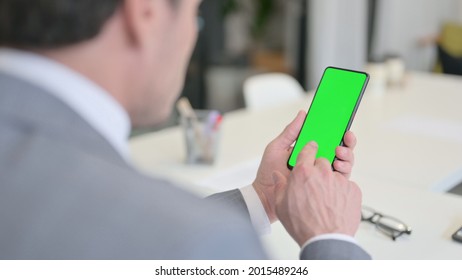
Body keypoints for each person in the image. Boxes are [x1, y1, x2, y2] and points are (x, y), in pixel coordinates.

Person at [0, 0, 370, 259]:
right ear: (145, 11)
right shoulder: (197, 242)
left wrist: (262, 197)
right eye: (196, 14)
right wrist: (331, 239)